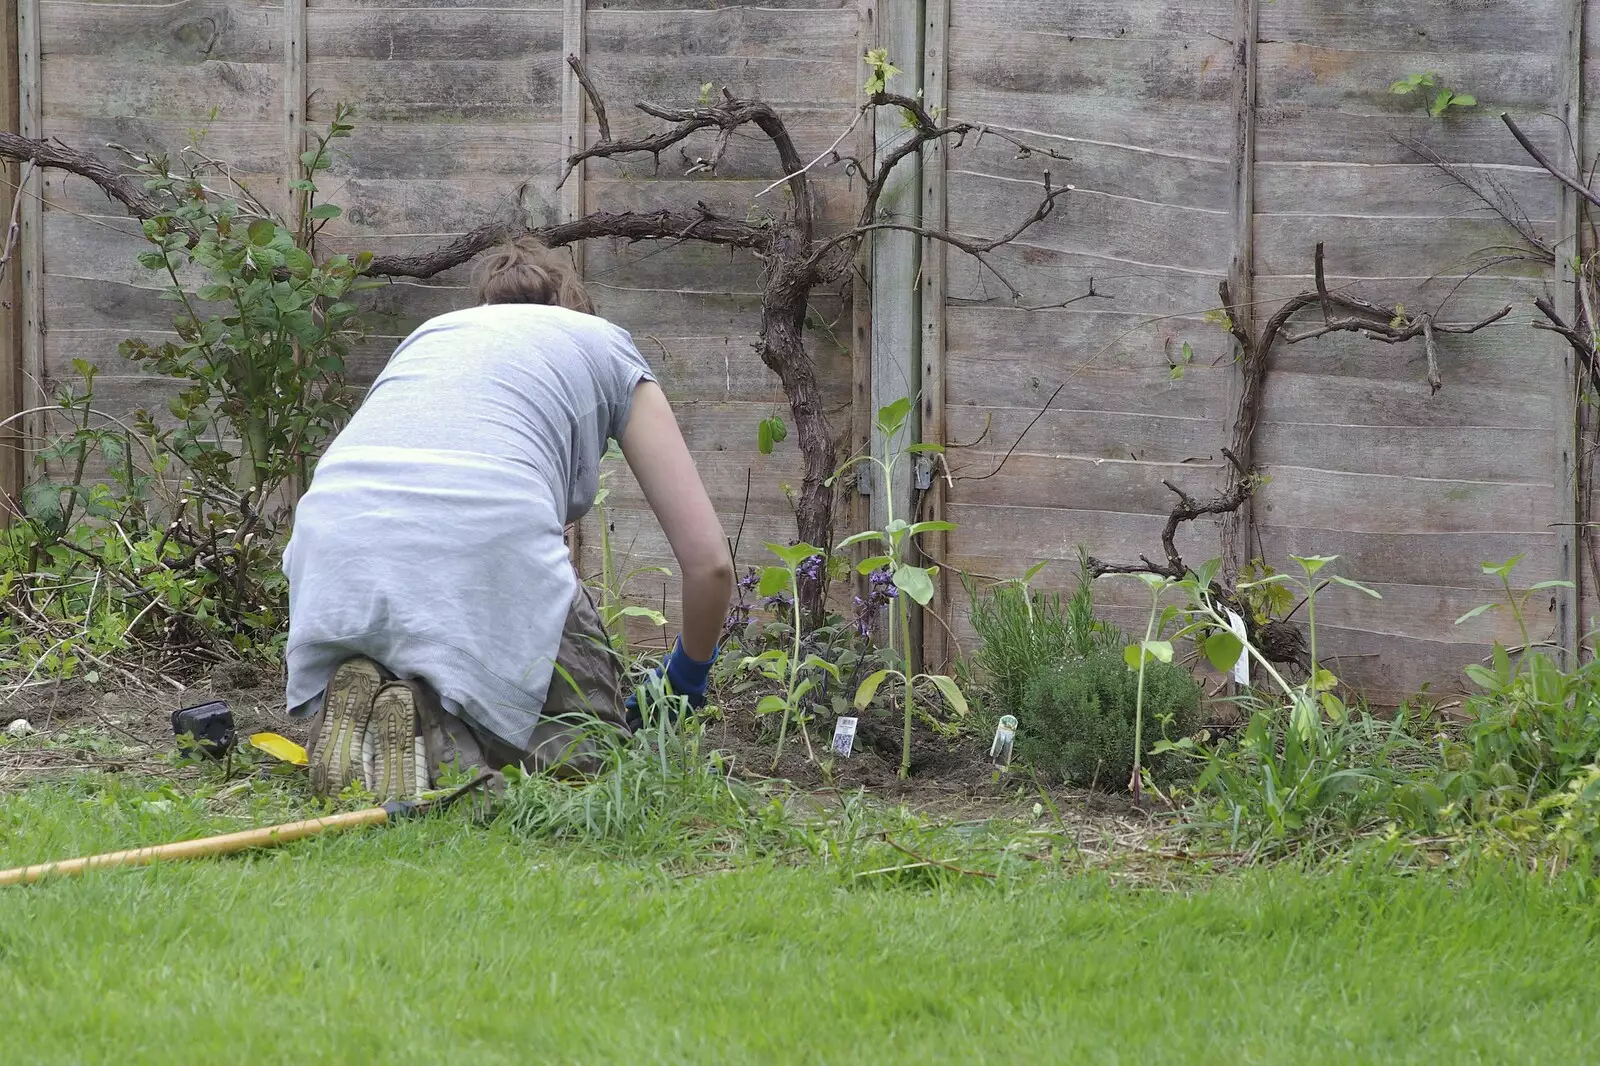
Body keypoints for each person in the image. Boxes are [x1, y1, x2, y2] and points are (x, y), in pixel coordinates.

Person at [281, 236, 734, 800]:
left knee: (416, 621)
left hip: (332, 541)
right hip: (486, 526)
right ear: (574, 306)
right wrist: (686, 677)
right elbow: (710, 563)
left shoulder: (431, 336)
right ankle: (433, 733)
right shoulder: (604, 345)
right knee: (588, 750)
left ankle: (369, 706)